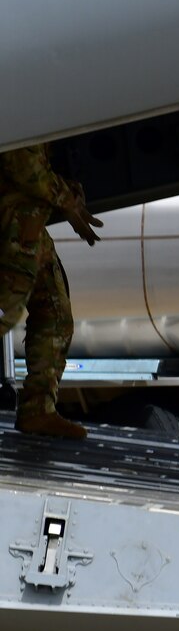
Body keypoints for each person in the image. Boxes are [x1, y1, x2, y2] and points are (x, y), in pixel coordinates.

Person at [0, 143, 101, 438]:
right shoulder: (15, 104)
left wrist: (68, 192)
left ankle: (38, 411)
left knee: (56, 315)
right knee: (5, 313)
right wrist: (65, 198)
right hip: (10, 230)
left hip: (29, 228)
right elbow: (23, 166)